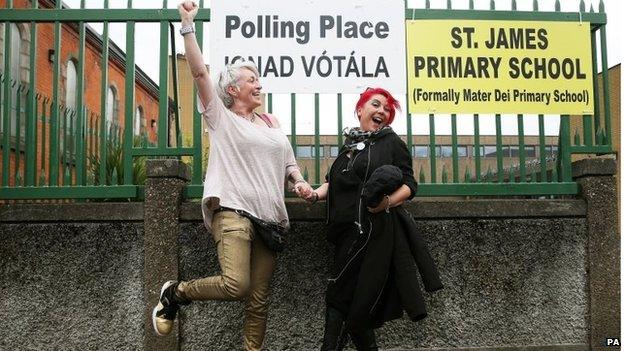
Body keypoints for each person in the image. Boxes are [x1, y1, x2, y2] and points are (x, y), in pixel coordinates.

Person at [151, 1, 313, 350]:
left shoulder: (272, 124)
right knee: (236, 285)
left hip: (270, 219)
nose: (259, 84)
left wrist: (298, 182)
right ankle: (175, 293)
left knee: (259, 299)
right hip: (233, 211)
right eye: (251, 79)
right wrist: (188, 25)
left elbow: (288, 164)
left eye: (258, 79)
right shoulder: (220, 118)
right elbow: (198, 74)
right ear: (232, 90)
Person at [300, 88, 443, 350]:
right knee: (356, 302)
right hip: (346, 234)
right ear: (360, 109)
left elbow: (410, 184)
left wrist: (387, 202)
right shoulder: (350, 146)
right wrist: (312, 194)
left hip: (374, 232)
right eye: (375, 104)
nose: (382, 111)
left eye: (387, 109)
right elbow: (334, 183)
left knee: (339, 295)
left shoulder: (390, 143)